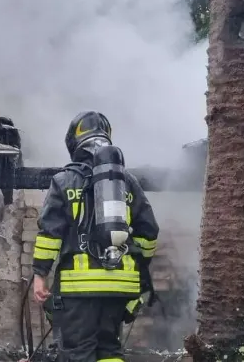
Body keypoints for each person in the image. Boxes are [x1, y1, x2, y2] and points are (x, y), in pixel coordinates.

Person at [31, 111, 160, 362]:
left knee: (79, 352)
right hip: (120, 287)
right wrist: (138, 266)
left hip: (79, 288)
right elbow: (149, 232)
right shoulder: (127, 182)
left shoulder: (64, 181)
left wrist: (40, 275)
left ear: (74, 143)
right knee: (109, 351)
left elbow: (50, 234)